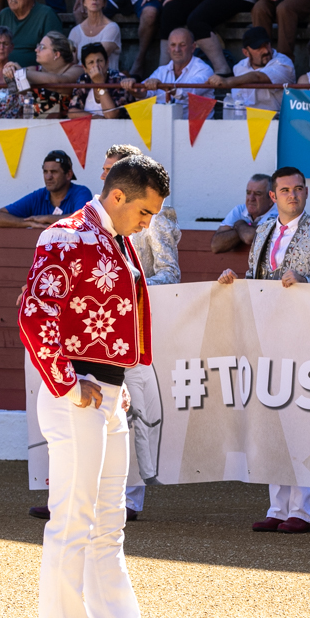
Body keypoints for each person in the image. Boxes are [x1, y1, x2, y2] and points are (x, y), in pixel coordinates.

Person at [18, 154, 179, 618]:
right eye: (146, 211)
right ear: (118, 197)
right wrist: (69, 379)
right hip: (76, 396)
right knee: (72, 522)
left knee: (107, 525)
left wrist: (115, 387)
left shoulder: (113, 238)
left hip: (105, 394)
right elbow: (35, 314)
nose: (148, 222)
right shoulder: (65, 237)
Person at [218, 166, 310, 533]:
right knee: (272, 420)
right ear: (274, 196)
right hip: (268, 334)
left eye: (298, 189)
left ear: (306, 193)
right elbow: (257, 282)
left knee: (303, 420)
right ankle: (278, 506)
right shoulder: (263, 229)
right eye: (285, 190)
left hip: (308, 335)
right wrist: (235, 283)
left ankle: (302, 510)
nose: (293, 195)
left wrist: (308, 281)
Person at [97, 145, 178, 517]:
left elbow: (170, 273)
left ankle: (130, 497)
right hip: (105, 331)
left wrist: (127, 287)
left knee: (135, 412)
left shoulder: (152, 220)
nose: (105, 178)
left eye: (112, 170)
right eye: (105, 170)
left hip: (137, 329)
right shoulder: (93, 223)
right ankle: (99, 494)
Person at [0, 151, 94, 227]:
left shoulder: (81, 192)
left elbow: (82, 219)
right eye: (45, 172)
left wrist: (45, 219)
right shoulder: (38, 196)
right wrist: (29, 223)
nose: (48, 177)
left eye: (54, 172)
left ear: (68, 175)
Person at [126, 26, 213, 117]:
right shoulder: (161, 70)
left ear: (193, 47)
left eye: (182, 45)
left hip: (200, 130)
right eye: (173, 45)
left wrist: (164, 86)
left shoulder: (204, 69)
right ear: (168, 48)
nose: (177, 50)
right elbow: (144, 93)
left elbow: (188, 92)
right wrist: (132, 87)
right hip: (165, 126)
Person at [210, 25, 296, 111]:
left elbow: (257, 76)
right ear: (246, 52)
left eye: (267, 45)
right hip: (244, 120)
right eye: (259, 48)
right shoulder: (239, 67)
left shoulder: (284, 62)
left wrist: (228, 81)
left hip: (277, 121)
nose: (266, 51)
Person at [0, 0, 62, 67]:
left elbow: (56, 55)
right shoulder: (4, 15)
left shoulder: (46, 15)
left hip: (35, 75)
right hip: (4, 72)